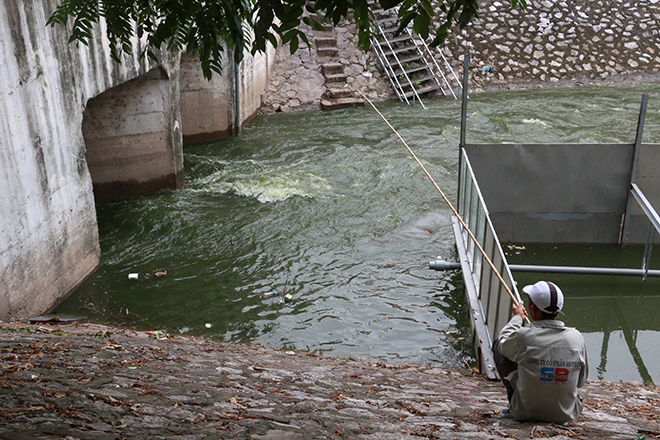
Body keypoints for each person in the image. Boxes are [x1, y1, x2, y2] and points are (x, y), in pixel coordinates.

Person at [492, 280, 588, 423]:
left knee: (499, 346)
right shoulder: (576, 338)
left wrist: (517, 318)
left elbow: (503, 342)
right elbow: (580, 381)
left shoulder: (524, 336)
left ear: (532, 308)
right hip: (565, 414)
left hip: (524, 412)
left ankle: (514, 402)